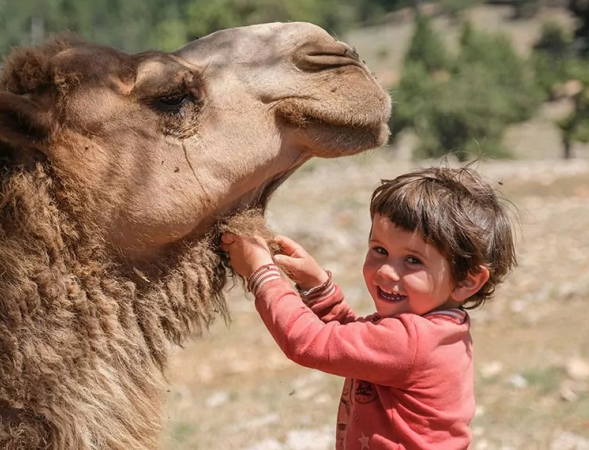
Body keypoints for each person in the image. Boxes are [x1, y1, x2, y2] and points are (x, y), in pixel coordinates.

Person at [221, 165, 517, 450]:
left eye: (413, 260)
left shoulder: (413, 342)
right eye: (380, 250)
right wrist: (318, 288)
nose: (386, 271)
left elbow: (309, 343)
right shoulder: (435, 329)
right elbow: (355, 341)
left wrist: (262, 273)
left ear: (467, 280)